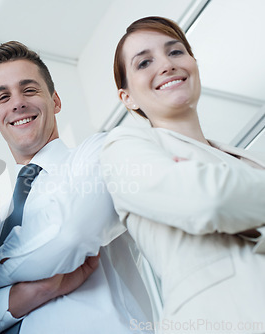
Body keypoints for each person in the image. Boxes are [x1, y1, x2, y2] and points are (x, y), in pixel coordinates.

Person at [101, 16, 265, 333]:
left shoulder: (253, 160)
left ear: (193, 63)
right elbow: (211, 200)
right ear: (127, 98)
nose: (165, 65)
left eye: (175, 52)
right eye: (144, 62)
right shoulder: (121, 149)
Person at [0, 41, 153, 333]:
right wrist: (31, 293)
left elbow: (70, 234)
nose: (17, 103)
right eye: (3, 97)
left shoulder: (99, 153)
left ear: (55, 101)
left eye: (29, 89)